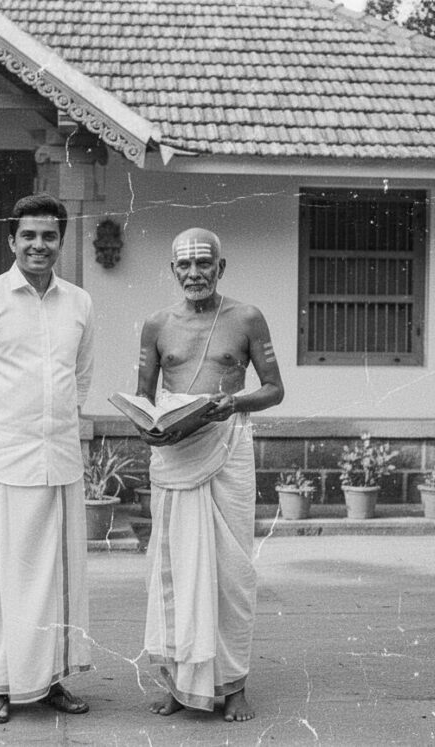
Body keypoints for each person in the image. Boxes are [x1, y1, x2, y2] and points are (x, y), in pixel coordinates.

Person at [0, 193, 94, 725]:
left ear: (61, 241)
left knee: (55, 578)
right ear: (11, 240)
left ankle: (50, 679)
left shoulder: (79, 303)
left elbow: (80, 381)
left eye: (49, 235)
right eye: (28, 235)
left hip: (59, 462)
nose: (38, 244)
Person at [135, 227, 284, 722]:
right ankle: (179, 685)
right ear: (173, 269)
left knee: (231, 573)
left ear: (221, 268)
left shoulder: (246, 317)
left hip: (228, 447)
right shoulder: (156, 324)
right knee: (175, 571)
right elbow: (143, 398)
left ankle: (234, 686)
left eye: (204, 264)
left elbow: (274, 389)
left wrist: (234, 402)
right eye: (185, 264)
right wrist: (149, 429)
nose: (194, 273)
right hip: (177, 454)